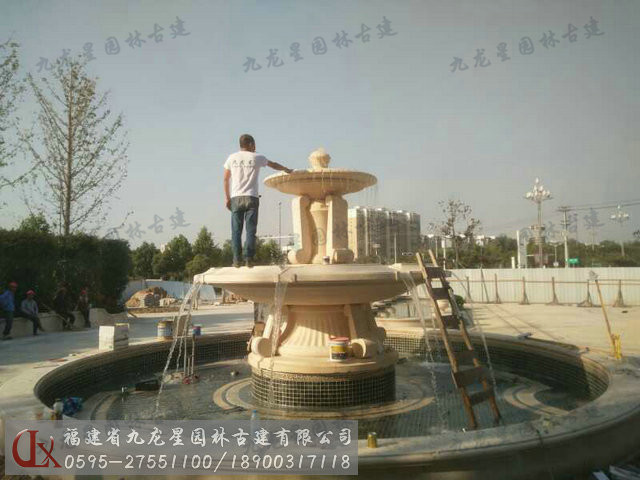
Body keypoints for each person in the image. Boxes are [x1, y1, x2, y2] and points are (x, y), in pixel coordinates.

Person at [223, 134, 293, 268]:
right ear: (250, 144)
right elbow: (273, 165)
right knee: (250, 230)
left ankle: (236, 260)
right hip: (251, 198)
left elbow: (226, 179)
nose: (255, 147)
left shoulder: (231, 158)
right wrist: (286, 169)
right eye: (254, 144)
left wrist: (227, 198)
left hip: (236, 198)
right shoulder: (257, 157)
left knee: (236, 231)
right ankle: (249, 259)